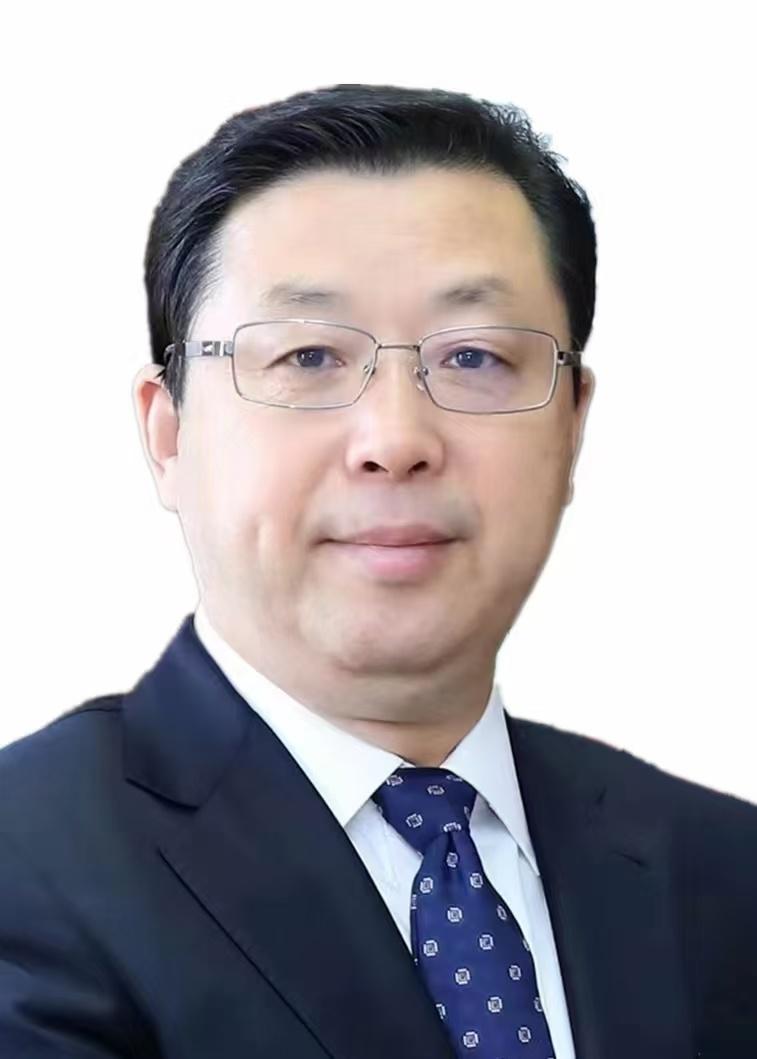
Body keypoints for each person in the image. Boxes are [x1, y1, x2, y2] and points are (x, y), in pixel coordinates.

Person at [0, 83, 755, 1059]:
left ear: (571, 427)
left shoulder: (725, 871)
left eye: (474, 357)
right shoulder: (27, 864)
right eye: (308, 355)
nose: (396, 440)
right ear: (169, 432)